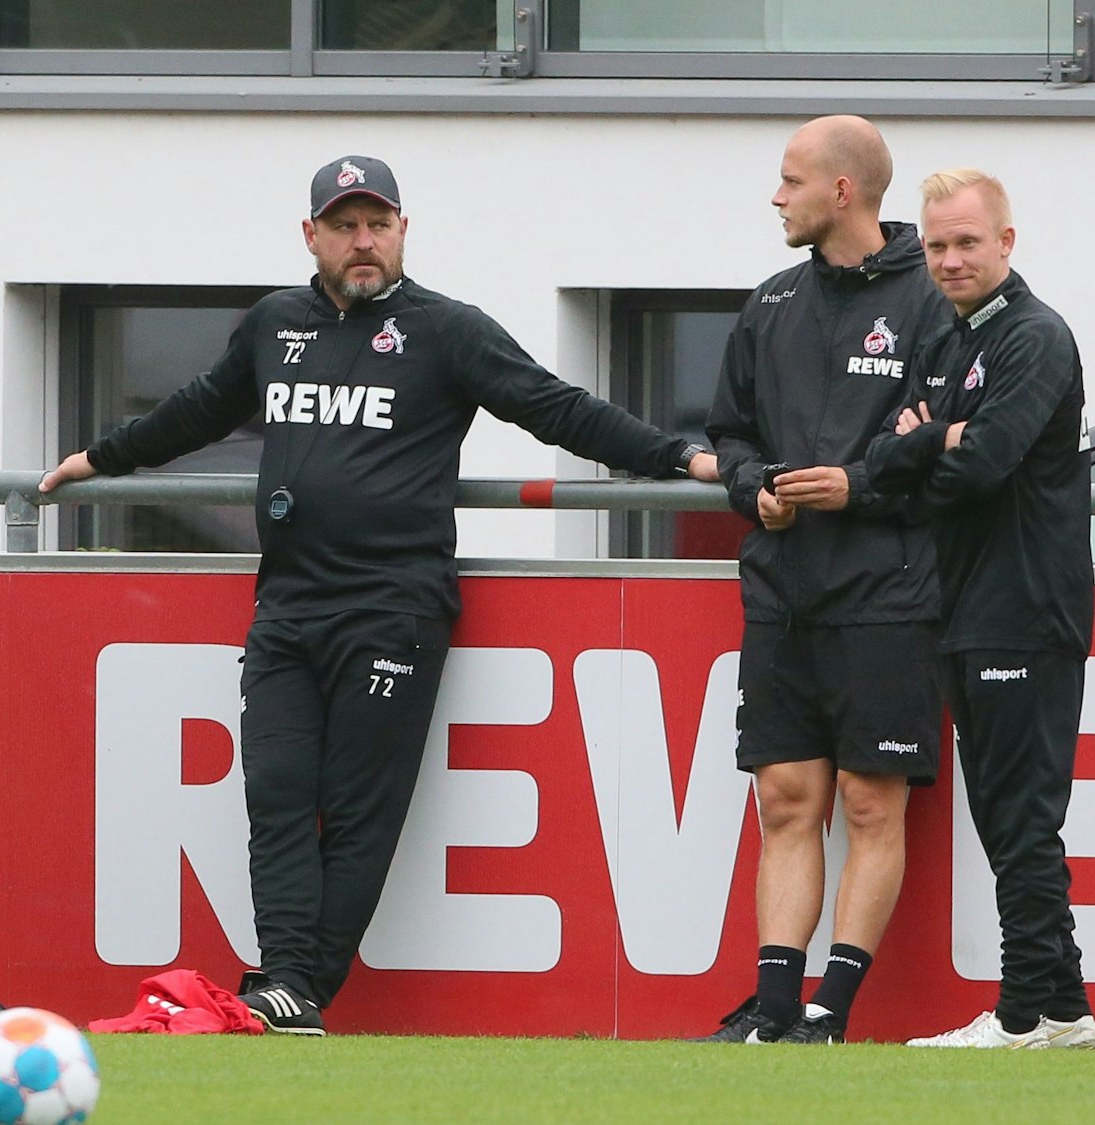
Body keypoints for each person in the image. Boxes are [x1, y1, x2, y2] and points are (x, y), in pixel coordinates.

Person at [41, 155, 719, 1035]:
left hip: (393, 607)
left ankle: (295, 987)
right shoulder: (273, 324)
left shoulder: (448, 330)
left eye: (379, 223)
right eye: (345, 225)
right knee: (276, 792)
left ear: (404, 229)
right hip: (286, 604)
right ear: (311, 235)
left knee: (360, 810)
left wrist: (682, 458)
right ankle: (287, 984)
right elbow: (198, 409)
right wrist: (101, 456)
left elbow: (558, 408)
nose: (364, 242)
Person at [695, 116, 954, 1045]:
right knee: (786, 801)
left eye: (790, 179)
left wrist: (861, 483)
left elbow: (953, 449)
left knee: (871, 801)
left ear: (843, 191)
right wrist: (752, 487)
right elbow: (727, 433)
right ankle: (772, 1013)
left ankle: (828, 1015)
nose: (776, 196)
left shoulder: (933, 303)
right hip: (780, 593)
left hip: (889, 596)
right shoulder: (769, 304)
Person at [864, 170, 1095, 1049]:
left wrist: (929, 443)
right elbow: (892, 464)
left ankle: (1019, 1016)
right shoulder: (950, 341)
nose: (951, 259)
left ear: (1007, 242)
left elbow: (980, 464)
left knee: (1021, 819)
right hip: (968, 607)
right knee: (1006, 820)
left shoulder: (1034, 337)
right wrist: (935, 442)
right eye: (936, 245)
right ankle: (1065, 1012)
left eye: (968, 242)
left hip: (1027, 609)